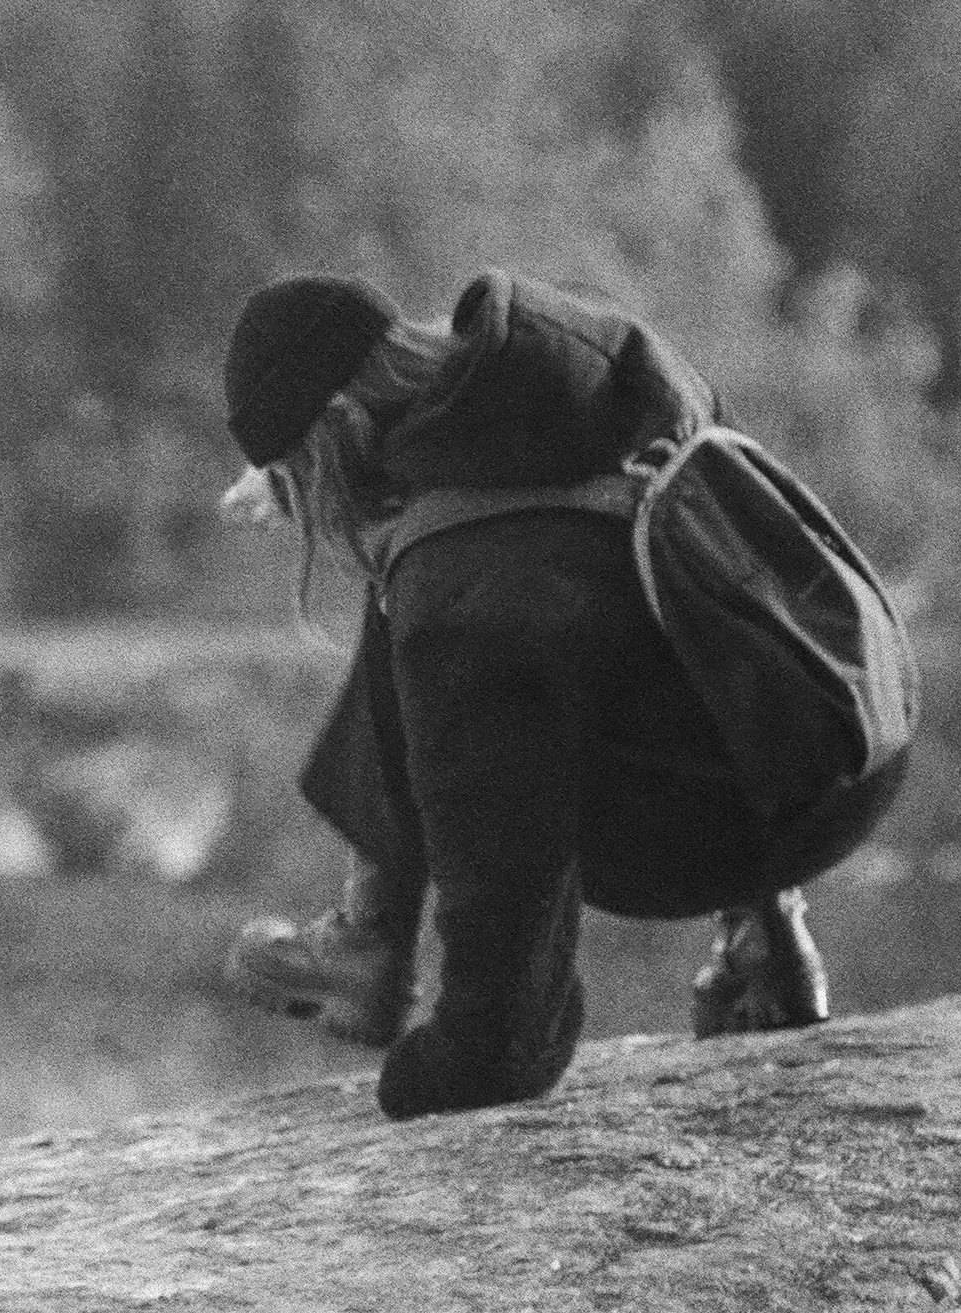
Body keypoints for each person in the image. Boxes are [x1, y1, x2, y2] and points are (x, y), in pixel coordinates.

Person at [217, 268, 909, 1120]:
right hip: (850, 713)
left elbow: (500, 1037)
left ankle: (372, 939)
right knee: (456, 569)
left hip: (751, 818)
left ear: (341, 429)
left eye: (299, 483)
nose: (306, 517)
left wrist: (438, 1068)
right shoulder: (582, 362)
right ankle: (761, 936)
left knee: (423, 589)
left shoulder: (461, 592)